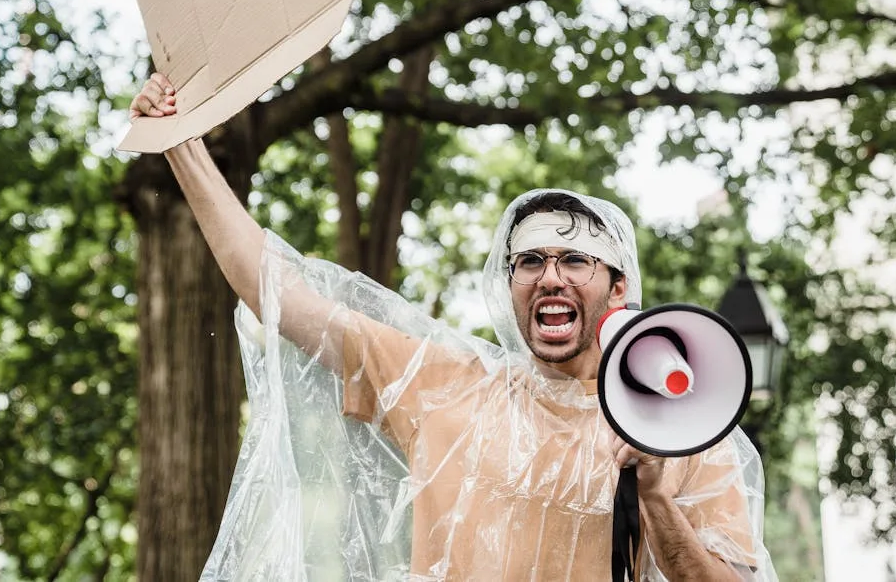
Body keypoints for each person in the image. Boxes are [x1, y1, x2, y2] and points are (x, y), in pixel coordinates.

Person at [130, 73, 776, 581]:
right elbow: (278, 290)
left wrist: (657, 494)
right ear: (509, 285)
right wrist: (183, 143)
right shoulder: (444, 386)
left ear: (618, 287)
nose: (550, 276)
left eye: (576, 258)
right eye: (529, 260)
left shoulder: (680, 424)